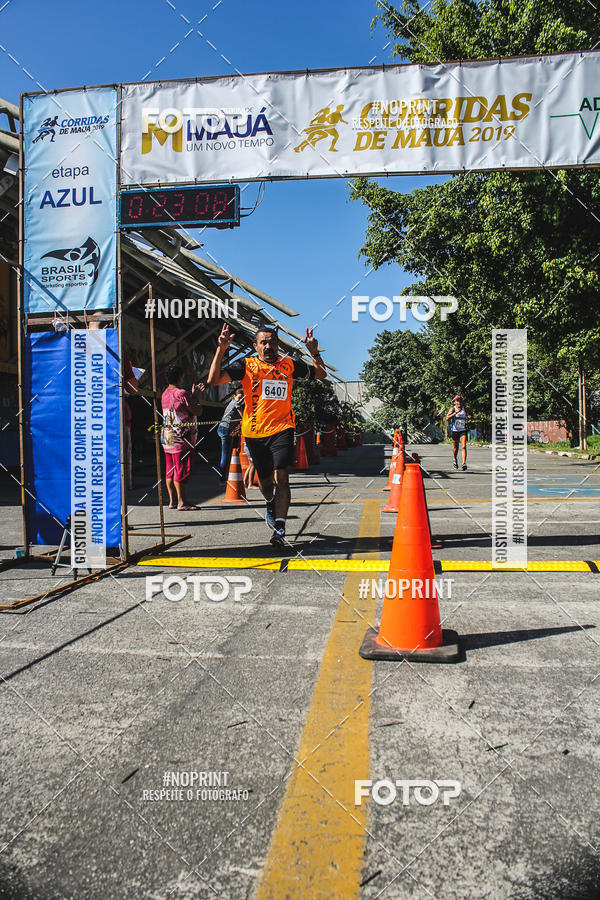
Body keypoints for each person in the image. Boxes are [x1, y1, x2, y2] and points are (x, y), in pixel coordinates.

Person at [208, 323, 327, 547]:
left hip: (283, 428)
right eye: (263, 342)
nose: (268, 346)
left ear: (278, 344)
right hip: (254, 433)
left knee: (282, 476)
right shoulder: (246, 365)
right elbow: (213, 380)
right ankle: (271, 503)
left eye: (272, 342)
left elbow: (320, 374)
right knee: (264, 482)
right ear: (256, 346)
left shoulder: (289, 365)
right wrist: (221, 349)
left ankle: (280, 528)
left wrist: (314, 353)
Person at [160, 364, 204, 510]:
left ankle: (172, 501)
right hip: (182, 438)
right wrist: (196, 395)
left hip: (167, 437)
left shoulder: (165, 393)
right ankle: (182, 502)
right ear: (180, 377)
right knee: (182, 469)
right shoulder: (181, 393)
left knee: (170, 469)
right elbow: (197, 411)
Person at [217, 388, 244, 482]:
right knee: (225, 455)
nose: (241, 400)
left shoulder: (234, 403)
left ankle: (225, 476)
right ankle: (222, 478)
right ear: (234, 397)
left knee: (227, 454)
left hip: (225, 429)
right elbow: (243, 416)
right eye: (239, 397)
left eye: (242, 398)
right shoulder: (236, 403)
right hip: (225, 429)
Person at [446, 395, 469, 470]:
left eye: (460, 400)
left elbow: (470, 415)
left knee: (463, 446)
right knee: (456, 448)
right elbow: (447, 418)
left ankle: (464, 463)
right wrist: (455, 413)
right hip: (455, 430)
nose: (459, 402)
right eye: (457, 401)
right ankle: (455, 460)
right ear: (455, 402)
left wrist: (469, 416)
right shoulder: (453, 409)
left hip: (463, 430)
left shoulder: (464, 408)